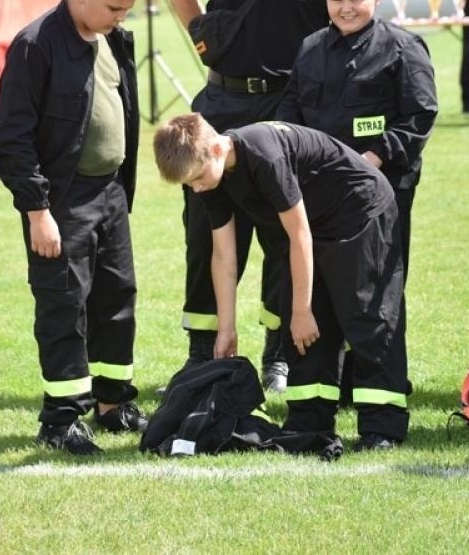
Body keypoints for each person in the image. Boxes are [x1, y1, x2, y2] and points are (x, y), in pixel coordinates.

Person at [170, 0, 347, 392]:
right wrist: (202, 41)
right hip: (221, 100)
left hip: (287, 107)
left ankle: (277, 352)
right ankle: (203, 351)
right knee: (205, 230)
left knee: (279, 230)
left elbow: (350, 15)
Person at [153, 114, 410, 450]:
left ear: (216, 149)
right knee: (301, 331)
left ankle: (382, 428)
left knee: (366, 318)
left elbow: (298, 234)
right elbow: (223, 257)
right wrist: (226, 328)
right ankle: (308, 418)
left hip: (359, 211)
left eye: (198, 178)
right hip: (314, 226)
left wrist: (302, 309)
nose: (196, 188)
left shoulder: (264, 156)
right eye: (189, 184)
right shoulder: (211, 177)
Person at [0, 0, 147, 455]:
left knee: (116, 299)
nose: (120, 19)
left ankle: (113, 403)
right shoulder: (35, 46)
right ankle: (61, 418)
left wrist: (122, 193)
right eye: (113, 9)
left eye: (125, 10)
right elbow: (13, 140)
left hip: (110, 194)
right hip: (61, 201)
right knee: (64, 306)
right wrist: (38, 212)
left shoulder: (114, 39)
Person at [278, 0, 438, 276]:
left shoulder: (404, 49)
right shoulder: (310, 48)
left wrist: (375, 156)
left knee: (376, 284)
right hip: (318, 186)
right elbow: (290, 108)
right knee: (322, 285)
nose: (346, 8)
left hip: (380, 185)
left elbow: (420, 115)